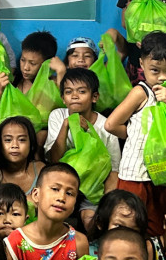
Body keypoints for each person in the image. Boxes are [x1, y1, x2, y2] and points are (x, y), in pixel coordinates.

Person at [104, 32, 166, 235]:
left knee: (157, 227)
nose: (163, 77)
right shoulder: (140, 93)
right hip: (135, 173)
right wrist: (134, 133)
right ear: (142, 64)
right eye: (155, 70)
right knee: (130, 224)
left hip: (163, 174)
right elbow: (111, 124)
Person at [44, 67, 121, 226]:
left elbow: (113, 171)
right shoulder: (58, 116)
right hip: (61, 184)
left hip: (93, 189)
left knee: (90, 221)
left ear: (94, 97)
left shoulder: (106, 126)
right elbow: (54, 160)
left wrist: (106, 205)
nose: (74, 96)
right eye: (68, 92)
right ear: (63, 98)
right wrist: (66, 125)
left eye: (81, 91)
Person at [5, 162, 89, 260]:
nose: (61, 198)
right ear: (36, 194)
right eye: (55, 189)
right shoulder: (15, 241)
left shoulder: (79, 242)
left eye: (69, 193)